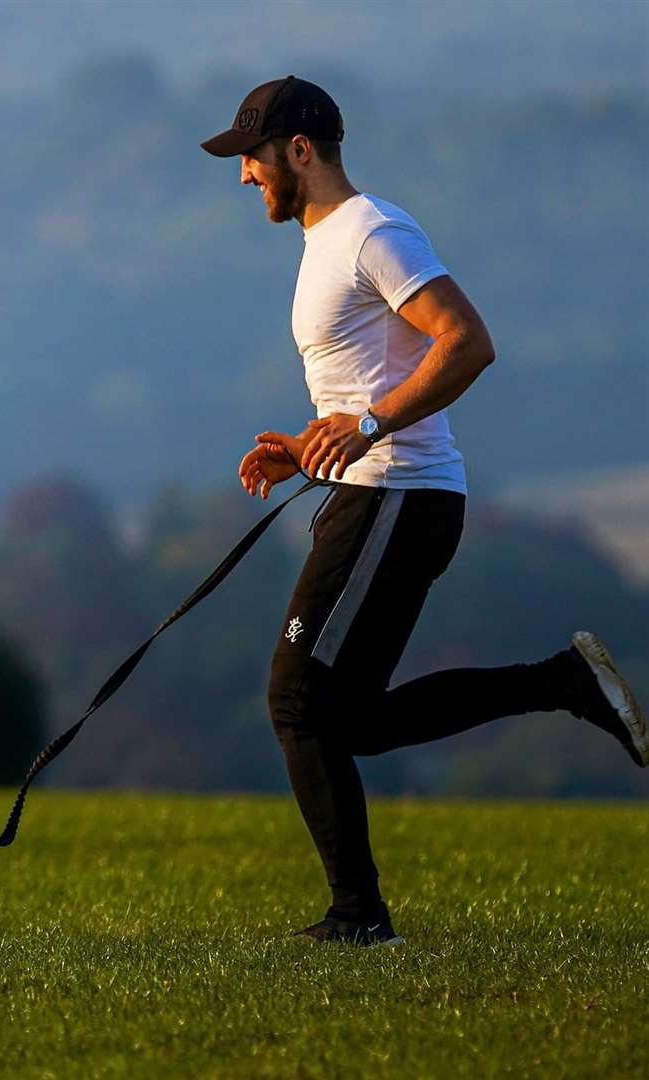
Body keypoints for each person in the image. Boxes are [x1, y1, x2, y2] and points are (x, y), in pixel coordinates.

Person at [200, 76, 647, 947]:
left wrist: (366, 429)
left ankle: (357, 917)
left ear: (298, 150)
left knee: (295, 701)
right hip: (378, 494)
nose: (244, 177)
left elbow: (466, 341)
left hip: (396, 499)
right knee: (345, 720)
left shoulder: (373, 232)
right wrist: (307, 444)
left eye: (251, 157)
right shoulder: (324, 242)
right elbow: (364, 381)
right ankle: (562, 682)